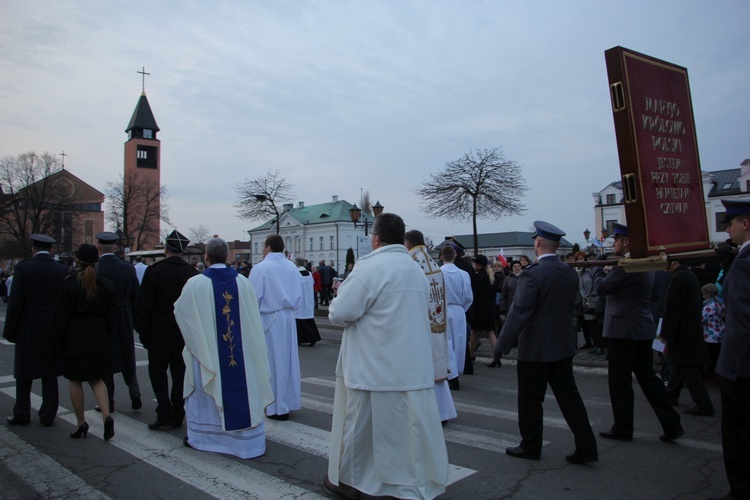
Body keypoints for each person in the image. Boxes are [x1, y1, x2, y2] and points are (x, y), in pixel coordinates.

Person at [325, 213, 449, 498]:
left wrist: (335, 301)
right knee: (406, 435)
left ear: (376, 239)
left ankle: (354, 482)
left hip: (374, 367)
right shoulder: (414, 268)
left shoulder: (370, 267)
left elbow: (341, 313)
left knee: (362, 432)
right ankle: (409, 483)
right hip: (410, 366)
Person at [495, 221, 598, 464]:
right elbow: (574, 305)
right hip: (562, 344)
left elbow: (520, 312)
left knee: (530, 400)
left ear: (538, 243)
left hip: (536, 347)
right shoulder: (567, 271)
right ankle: (587, 445)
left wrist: (502, 345)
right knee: (569, 398)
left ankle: (531, 445)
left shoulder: (533, 274)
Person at [174, 238, 274, 458]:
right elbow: (252, 321)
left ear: (206, 257)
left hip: (207, 354)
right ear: (228, 256)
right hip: (241, 354)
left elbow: (181, 314)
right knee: (244, 389)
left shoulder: (195, 284)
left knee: (206, 393)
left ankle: (204, 438)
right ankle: (245, 444)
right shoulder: (243, 282)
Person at [593, 223, 683, 443]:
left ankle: (623, 427)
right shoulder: (646, 264)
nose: (613, 243)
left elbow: (601, 288)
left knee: (620, 382)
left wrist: (598, 269)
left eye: (616, 240)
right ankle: (671, 424)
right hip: (641, 328)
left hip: (623, 331)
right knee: (648, 379)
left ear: (626, 242)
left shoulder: (627, 265)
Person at [135, 230, 199, 430]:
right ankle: (178, 411)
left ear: (166, 249)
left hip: (158, 333)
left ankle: (164, 411)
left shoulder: (154, 271)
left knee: (158, 374)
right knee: (180, 375)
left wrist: (143, 331)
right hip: (183, 334)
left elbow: (144, 305)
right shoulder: (192, 274)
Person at [3, 234, 69, 427]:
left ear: (33, 248)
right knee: (50, 371)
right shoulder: (62, 269)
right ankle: (48, 414)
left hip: (29, 322)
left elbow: (15, 303)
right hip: (53, 323)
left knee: (24, 371)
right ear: (51, 250)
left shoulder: (23, 268)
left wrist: (10, 331)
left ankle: (22, 411)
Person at [52, 244, 116, 441]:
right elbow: (112, 315)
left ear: (77, 260)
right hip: (98, 335)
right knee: (97, 379)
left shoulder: (69, 283)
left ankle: (81, 422)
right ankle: (106, 415)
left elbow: (61, 317)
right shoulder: (106, 283)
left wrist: (55, 341)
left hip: (75, 336)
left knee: (75, 380)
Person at [715, 199, 750, 499]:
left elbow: (740, 321)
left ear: (745, 223)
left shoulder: (745, 262)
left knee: (738, 435)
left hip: (743, 364)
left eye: (730, 223)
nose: (728, 229)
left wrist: (730, 368)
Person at [404, 229, 456, 425]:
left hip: (420, 323)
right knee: (436, 366)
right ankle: (443, 411)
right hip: (438, 320)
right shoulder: (434, 263)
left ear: (407, 245)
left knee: (422, 366)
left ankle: (426, 412)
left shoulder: (411, 263)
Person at [249, 234, 302, 420]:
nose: (263, 249)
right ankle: (286, 402)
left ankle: (275, 406)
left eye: (263, 245)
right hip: (288, 317)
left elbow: (252, 297)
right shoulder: (292, 267)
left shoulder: (261, 268)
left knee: (272, 363)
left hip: (269, 318)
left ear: (269, 247)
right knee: (287, 362)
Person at [95, 232, 142, 413]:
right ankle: (134, 391)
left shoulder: (97, 268)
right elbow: (136, 296)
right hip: (124, 315)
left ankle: (109, 402)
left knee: (106, 362)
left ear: (99, 247)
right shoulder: (127, 268)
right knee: (127, 356)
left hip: (103, 318)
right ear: (115, 247)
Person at [662, 260, 715, 416]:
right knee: (679, 367)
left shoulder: (679, 278)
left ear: (674, 262)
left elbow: (673, 307)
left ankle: (704, 404)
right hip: (688, 330)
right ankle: (671, 396)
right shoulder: (687, 275)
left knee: (689, 370)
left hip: (683, 333)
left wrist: (665, 332)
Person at [440, 244, 473, 391]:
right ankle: (455, 373)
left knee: (447, 343)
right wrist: (461, 309)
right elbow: (468, 297)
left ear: (441, 256)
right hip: (459, 310)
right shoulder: (463, 274)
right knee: (459, 343)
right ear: (455, 256)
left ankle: (451, 375)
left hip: (443, 310)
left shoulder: (438, 273)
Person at [470, 254, 498, 367]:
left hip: (479, 308)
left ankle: (471, 354)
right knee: (491, 332)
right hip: (490, 307)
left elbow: (476, 294)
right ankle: (496, 356)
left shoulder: (478, 276)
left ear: (477, 264)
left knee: (474, 332)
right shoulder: (490, 275)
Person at [294, 257, 321, 347]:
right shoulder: (309, 274)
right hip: (308, 300)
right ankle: (312, 337)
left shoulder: (296, 273)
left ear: (297, 264)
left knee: (300, 320)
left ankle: (301, 339)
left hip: (300, 300)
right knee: (308, 320)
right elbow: (312, 283)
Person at [701, 283, 724, 387]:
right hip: (720, 333)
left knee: (709, 357)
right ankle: (716, 377)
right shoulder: (720, 304)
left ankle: (710, 377)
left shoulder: (708, 307)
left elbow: (703, 320)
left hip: (710, 335)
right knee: (716, 356)